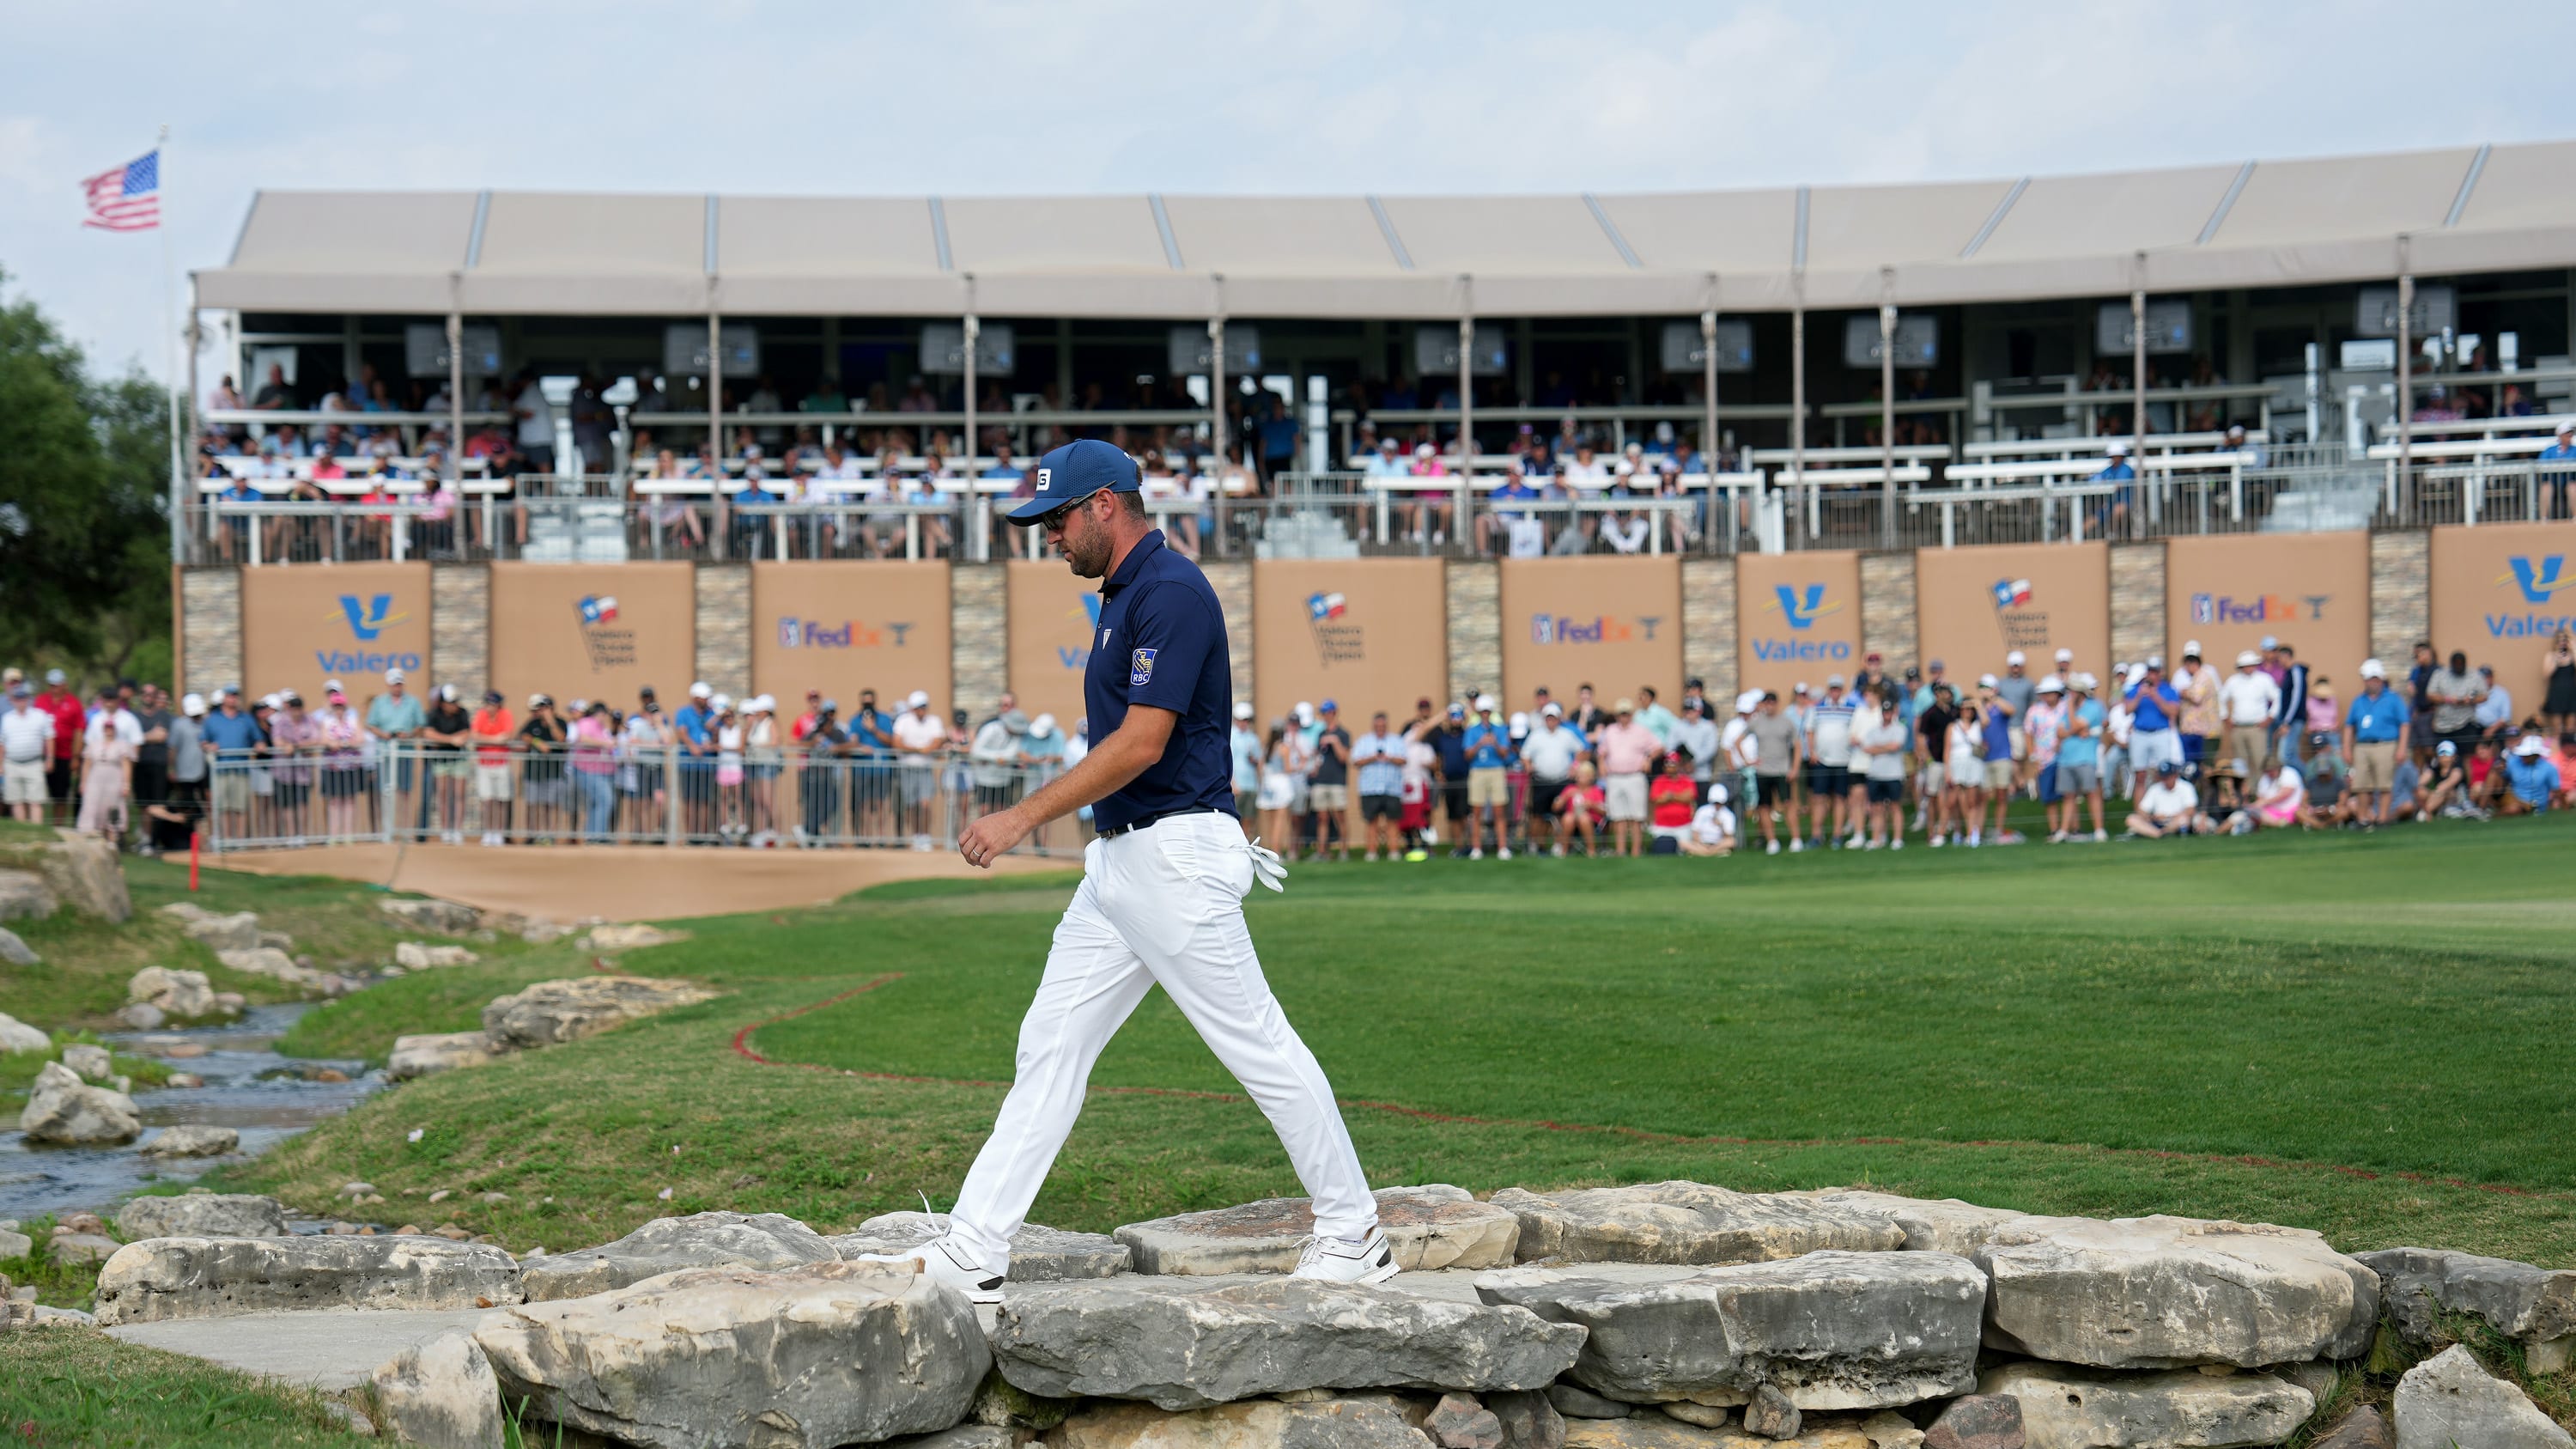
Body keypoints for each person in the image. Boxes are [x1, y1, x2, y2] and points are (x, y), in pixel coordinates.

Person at [852, 437, 1391, 1305]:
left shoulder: (1170, 590)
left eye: (1058, 519)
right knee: (1051, 1041)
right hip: (1124, 862)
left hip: (1175, 854)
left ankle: (1354, 1229)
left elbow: (1144, 743)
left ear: (1106, 503)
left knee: (1257, 1044)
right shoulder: (1124, 593)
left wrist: (1022, 814)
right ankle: (974, 1247)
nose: (1049, 538)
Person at [2342, 659, 2410, 828]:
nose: (2372, 683)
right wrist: (2346, 748)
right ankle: (2363, 819)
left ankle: (2382, 819)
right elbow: (2349, 726)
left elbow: (2404, 723)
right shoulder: (2358, 701)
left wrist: (2402, 747)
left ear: (2380, 679)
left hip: (2386, 744)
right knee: (2361, 785)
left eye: (2374, 679)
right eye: (2368, 679)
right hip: (2363, 745)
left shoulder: (2394, 699)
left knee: (2384, 784)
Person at [1518, 703, 1586, 857]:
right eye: (1548, 718)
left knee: (1561, 815)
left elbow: (1581, 751)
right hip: (1541, 781)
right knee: (1538, 815)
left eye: (1553, 718)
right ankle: (1538, 846)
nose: (1551, 721)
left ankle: (1560, 845)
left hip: (1562, 781)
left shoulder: (1566, 734)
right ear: (1544, 719)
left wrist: (1575, 767)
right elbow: (1525, 755)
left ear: (1558, 719)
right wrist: (1528, 766)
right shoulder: (1536, 735)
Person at [1595, 697, 1658, 858]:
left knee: (1637, 816)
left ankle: (1636, 851)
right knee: (1618, 816)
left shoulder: (1640, 731)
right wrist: (1601, 764)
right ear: (1617, 715)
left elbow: (1658, 746)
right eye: (1622, 714)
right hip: (1615, 777)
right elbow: (1602, 751)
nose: (1624, 717)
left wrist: (1648, 759)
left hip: (1635, 776)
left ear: (1631, 715)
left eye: (1627, 714)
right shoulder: (1610, 731)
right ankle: (1621, 851)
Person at [1802, 675, 1859, 849]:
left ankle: (1837, 834)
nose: (1835, 692)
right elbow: (1809, 731)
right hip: (1822, 760)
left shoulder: (1851, 707)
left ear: (1842, 690)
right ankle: (1816, 835)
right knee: (1819, 798)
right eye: (1832, 688)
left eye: (1838, 689)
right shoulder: (1817, 708)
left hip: (1843, 760)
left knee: (1840, 798)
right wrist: (1812, 752)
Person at [77, 686, 137, 842]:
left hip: (114, 779)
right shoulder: (96, 721)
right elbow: (87, 761)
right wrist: (83, 782)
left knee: (112, 811)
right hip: (96, 778)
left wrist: (126, 784)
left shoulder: (125, 728)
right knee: (93, 808)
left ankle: (113, 843)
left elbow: (127, 762)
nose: (108, 730)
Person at [1459, 697, 1515, 860]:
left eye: (1487, 712)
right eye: (1482, 712)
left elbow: (1505, 754)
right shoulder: (1472, 730)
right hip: (1478, 771)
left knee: (1499, 810)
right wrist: (1480, 744)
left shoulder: (1500, 729)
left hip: (1496, 770)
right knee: (1476, 811)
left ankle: (1502, 848)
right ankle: (1477, 848)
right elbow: (1467, 755)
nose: (1485, 714)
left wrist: (1495, 743)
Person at [1855, 692, 1910, 849]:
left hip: (1894, 774)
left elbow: (1896, 746)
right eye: (1884, 712)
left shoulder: (1899, 728)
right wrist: (1885, 747)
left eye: (1889, 712)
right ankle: (1877, 838)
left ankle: (1897, 839)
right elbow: (1867, 748)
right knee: (1876, 808)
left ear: (1893, 712)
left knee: (1895, 806)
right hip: (1876, 774)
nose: (1887, 714)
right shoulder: (1873, 731)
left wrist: (1879, 747)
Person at [1747, 691, 1800, 854]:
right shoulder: (1756, 722)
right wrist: (1748, 760)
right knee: (1764, 806)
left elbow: (1797, 745)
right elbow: (1737, 740)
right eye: (1766, 703)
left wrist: (1795, 767)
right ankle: (1772, 841)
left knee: (1788, 804)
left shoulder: (1786, 722)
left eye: (1772, 702)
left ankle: (1796, 839)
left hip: (1782, 770)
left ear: (1776, 703)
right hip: (1763, 771)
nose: (1769, 706)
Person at [1352, 710, 1407, 861]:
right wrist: (1373, 758)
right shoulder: (1364, 741)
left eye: (1383, 725)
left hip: (1392, 787)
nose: (1380, 728)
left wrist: (1389, 758)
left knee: (1392, 821)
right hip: (1370, 788)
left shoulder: (1396, 741)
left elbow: (1404, 759)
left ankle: (1394, 851)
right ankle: (1371, 852)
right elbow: (1356, 761)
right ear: (1373, 725)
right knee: (1371, 821)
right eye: (1378, 725)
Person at [422, 685, 471, 843]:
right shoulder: (434, 714)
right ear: (443, 703)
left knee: (459, 795)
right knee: (442, 795)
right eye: (451, 702)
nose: (454, 705)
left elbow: (466, 733)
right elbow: (428, 734)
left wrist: (444, 740)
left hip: (459, 759)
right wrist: (451, 740)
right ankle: (445, 830)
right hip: (440, 760)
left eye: (455, 702)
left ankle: (457, 830)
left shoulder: (462, 713)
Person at [1308, 701, 1354, 861]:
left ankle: (1343, 850)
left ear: (1334, 713)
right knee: (1322, 817)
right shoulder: (1321, 734)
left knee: (1340, 817)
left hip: (1337, 781)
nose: (1324, 716)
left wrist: (1334, 742)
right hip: (1321, 780)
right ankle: (1322, 851)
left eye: (1326, 713)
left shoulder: (1343, 734)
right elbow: (1319, 756)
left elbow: (1344, 758)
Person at [2, 685, 55, 824]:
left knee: (36, 800)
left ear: (28, 699)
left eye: (23, 697)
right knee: (16, 800)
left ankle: (37, 829)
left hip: (34, 763)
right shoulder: (7, 718)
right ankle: (22, 829)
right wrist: (1, 764)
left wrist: (50, 758)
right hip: (12, 763)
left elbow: (49, 737)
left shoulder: (39, 715)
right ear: (12, 700)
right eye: (17, 698)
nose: (20, 701)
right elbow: (2, 743)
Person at [470, 690, 515, 846]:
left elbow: (507, 736)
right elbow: (475, 736)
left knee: (501, 799)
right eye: (488, 704)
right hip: (484, 764)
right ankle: (488, 832)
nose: (490, 707)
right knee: (487, 800)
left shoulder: (506, 714)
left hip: (501, 763)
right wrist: (495, 739)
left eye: (493, 704)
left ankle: (499, 833)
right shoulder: (481, 715)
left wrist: (487, 740)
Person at [2424, 650, 2487, 757]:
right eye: (2456, 664)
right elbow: (2430, 695)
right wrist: (2447, 699)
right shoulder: (2440, 675)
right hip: (2443, 725)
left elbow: (2484, 696)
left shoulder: (2475, 675)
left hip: (2466, 722)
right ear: (2451, 664)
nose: (2459, 667)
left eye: (2461, 664)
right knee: (2443, 757)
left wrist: (2470, 700)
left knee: (2467, 756)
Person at [2126, 759, 2205, 838]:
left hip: (2175, 820)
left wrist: (2170, 817)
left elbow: (2190, 810)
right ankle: (2158, 834)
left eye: (2168, 777)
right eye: (2163, 777)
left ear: (2175, 775)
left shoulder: (2186, 787)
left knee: (2184, 820)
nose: (2165, 780)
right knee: (2131, 819)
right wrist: (2152, 817)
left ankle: (2162, 832)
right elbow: (2142, 810)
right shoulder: (2155, 788)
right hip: (2156, 822)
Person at [1646, 749, 1698, 853]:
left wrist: (1671, 796)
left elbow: (1689, 797)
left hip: (1683, 825)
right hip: (1663, 826)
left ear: (1678, 765)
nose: (1670, 766)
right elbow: (1658, 800)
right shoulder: (1659, 781)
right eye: (1668, 763)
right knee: (1663, 851)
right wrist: (1679, 797)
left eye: (1673, 763)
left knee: (1683, 850)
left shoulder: (1687, 780)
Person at [1554, 758, 1606, 856]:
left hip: (1591, 822)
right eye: (1579, 774)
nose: (1580, 777)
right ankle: (1564, 850)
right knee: (1568, 817)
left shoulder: (1596, 791)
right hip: (1571, 821)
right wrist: (1565, 797)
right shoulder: (1570, 789)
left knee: (1583, 818)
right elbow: (1555, 807)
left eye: (1584, 775)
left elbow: (1604, 811)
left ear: (1591, 777)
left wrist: (1591, 805)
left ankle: (1591, 851)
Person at [2500, 734, 2561, 816]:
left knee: (2513, 809)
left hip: (2534, 805)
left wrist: (2564, 807)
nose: (2523, 757)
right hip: (2514, 798)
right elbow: (2503, 776)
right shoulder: (2513, 762)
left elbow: (2556, 789)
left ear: (2536, 755)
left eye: (2526, 755)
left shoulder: (2549, 768)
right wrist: (2499, 769)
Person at [2246, 753, 2307, 831]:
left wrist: (2266, 801)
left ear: (2278, 768)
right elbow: (2260, 798)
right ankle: (2278, 823)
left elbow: (2285, 794)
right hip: (2272, 812)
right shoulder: (2264, 779)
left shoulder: (2289, 773)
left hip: (2293, 810)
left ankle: (2280, 823)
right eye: (2267, 771)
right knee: (2252, 810)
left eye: (2271, 770)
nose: (2270, 773)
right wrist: (2257, 804)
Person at [1681, 780, 1737, 857]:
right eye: (1715, 803)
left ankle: (1703, 853)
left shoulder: (1728, 815)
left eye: (1719, 803)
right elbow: (1695, 831)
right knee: (1682, 843)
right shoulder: (1702, 811)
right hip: (1702, 843)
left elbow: (1729, 836)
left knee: (1732, 842)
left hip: (1718, 843)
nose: (1717, 805)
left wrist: (1721, 825)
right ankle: (1715, 852)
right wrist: (1701, 843)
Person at [2546, 629, 2576, 738]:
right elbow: (2546, 674)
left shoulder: (2572, 656)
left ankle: (2571, 753)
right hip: (2556, 694)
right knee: (2557, 731)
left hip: (2571, 694)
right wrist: (2557, 659)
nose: (2562, 643)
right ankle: (2557, 754)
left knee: (2571, 730)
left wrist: (2573, 648)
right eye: (2560, 640)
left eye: (2565, 640)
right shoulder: (2551, 655)